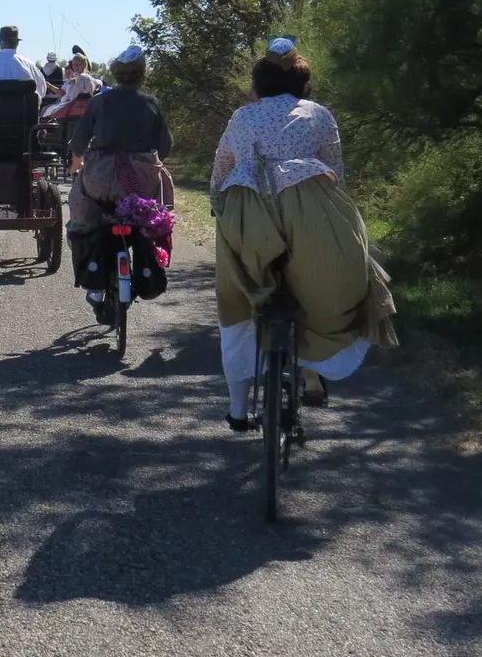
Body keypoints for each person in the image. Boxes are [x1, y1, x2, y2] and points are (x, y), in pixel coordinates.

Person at [211, 37, 375, 427]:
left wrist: (220, 209)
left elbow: (220, 172)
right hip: (311, 209)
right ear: (302, 82)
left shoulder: (242, 116)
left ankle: (237, 411)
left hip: (249, 212)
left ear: (259, 82)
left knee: (236, 302)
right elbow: (336, 172)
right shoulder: (319, 115)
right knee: (327, 282)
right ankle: (311, 370)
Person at [66, 46, 175, 319]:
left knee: (81, 206)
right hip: (140, 181)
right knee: (157, 206)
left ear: (116, 73)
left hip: (101, 177)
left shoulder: (99, 102)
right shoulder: (151, 103)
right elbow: (166, 146)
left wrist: (79, 156)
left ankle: (92, 280)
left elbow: (79, 142)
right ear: (142, 74)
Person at [0, 25, 49, 101]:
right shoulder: (29, 65)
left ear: (0, 42)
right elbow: (41, 91)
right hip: (23, 111)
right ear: (17, 43)